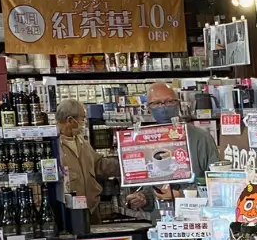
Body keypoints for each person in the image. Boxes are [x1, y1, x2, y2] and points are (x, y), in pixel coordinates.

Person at [121, 82, 220, 219]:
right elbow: (153, 186)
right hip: (162, 221)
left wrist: (183, 194)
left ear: (178, 103)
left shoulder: (200, 138)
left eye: (169, 101)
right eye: (156, 103)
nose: (163, 108)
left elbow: (218, 183)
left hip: (197, 218)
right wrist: (143, 197)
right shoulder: (146, 141)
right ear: (148, 108)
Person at [56, 100, 120, 206]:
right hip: (68, 210)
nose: (84, 122)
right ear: (70, 120)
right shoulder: (53, 147)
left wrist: (123, 164)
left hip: (91, 207)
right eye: (82, 118)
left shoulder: (82, 143)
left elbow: (99, 164)